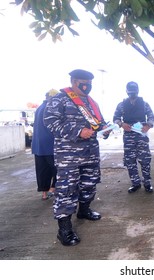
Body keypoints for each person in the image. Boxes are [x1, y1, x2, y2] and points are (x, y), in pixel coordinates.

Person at [44, 69, 111, 246]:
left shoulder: (91, 102)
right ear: (74, 82)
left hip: (90, 153)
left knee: (89, 184)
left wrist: (105, 129)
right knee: (67, 190)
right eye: (83, 82)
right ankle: (64, 229)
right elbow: (50, 121)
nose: (87, 86)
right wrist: (78, 131)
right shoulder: (60, 98)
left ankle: (84, 210)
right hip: (68, 156)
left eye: (89, 83)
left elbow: (99, 122)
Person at [113, 81, 154, 193]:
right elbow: (116, 118)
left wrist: (148, 125)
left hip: (141, 135)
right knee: (130, 161)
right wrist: (122, 124)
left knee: (145, 160)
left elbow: (151, 116)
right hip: (128, 137)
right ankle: (135, 183)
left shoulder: (144, 104)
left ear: (138, 91)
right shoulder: (121, 105)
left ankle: (147, 183)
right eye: (130, 91)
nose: (132, 94)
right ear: (126, 91)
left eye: (134, 91)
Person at [31, 89, 59, 200]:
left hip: (38, 146)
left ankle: (44, 193)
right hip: (50, 145)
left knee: (42, 170)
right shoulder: (51, 108)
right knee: (57, 169)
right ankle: (53, 188)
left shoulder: (39, 108)